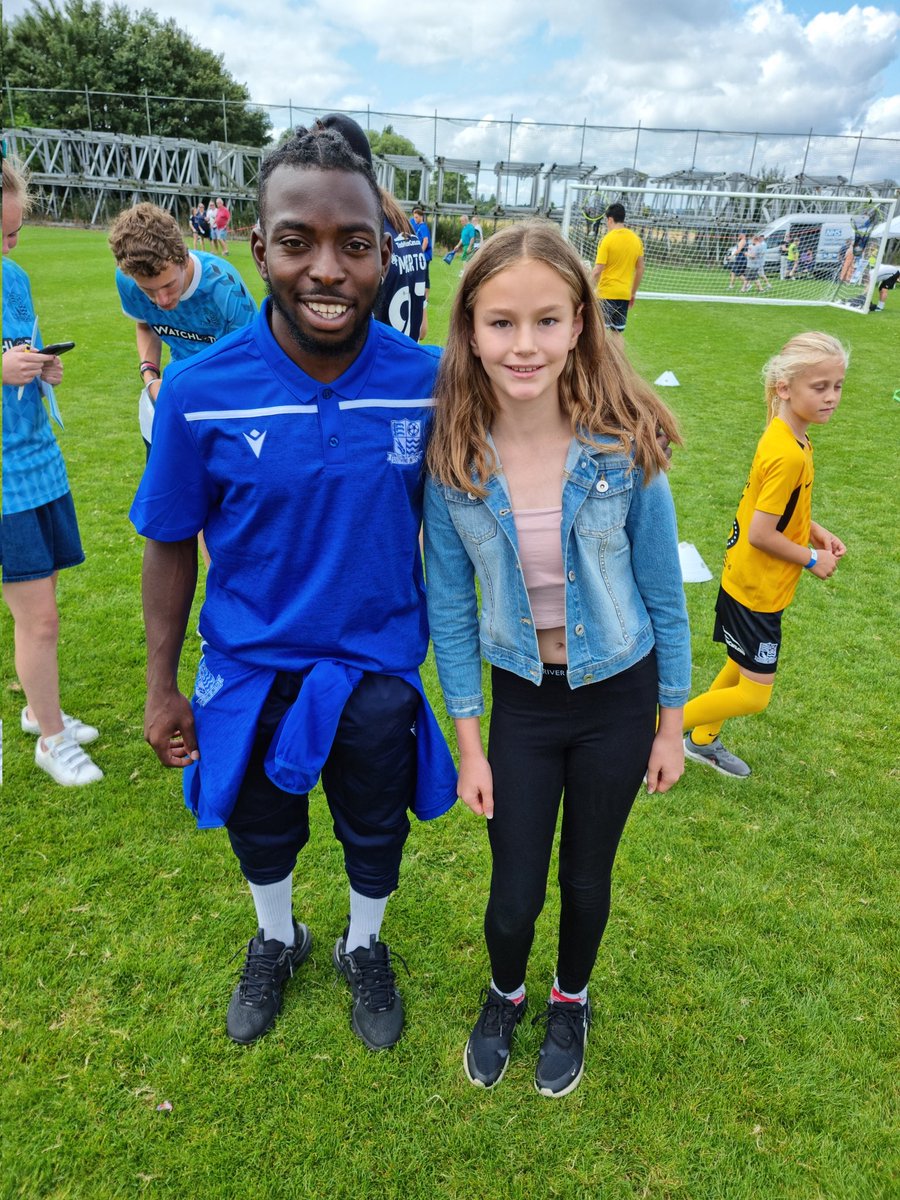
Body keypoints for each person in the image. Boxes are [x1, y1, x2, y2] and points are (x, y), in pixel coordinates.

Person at [129, 126, 456, 1052]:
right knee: (260, 829)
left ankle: (362, 945)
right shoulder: (200, 389)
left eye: (354, 244)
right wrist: (161, 686)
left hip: (376, 666)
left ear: (384, 251)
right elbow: (167, 542)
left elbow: (480, 525)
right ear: (257, 245)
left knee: (373, 830)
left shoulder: (429, 384)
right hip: (249, 661)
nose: (327, 269)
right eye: (297, 241)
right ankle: (279, 936)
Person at [423, 221, 690, 1097]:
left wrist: (671, 727)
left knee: (585, 881)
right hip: (523, 705)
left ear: (581, 322)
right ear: (469, 329)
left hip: (619, 695)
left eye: (546, 320)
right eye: (501, 323)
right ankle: (506, 992)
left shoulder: (624, 446)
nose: (524, 344)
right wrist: (470, 744)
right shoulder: (455, 458)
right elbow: (452, 613)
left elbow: (664, 595)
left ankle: (570, 998)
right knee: (514, 893)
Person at [683, 332, 847, 778]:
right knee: (754, 694)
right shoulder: (786, 452)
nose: (831, 397)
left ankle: (701, 740)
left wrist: (815, 531)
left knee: (739, 665)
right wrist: (812, 559)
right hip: (755, 589)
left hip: (752, 581)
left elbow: (777, 509)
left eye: (837, 386)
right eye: (820, 387)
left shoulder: (790, 436)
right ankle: (658, 733)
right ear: (784, 388)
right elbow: (760, 533)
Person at [1, 156, 103, 786]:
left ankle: (42, 711)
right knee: (37, 617)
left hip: (36, 458)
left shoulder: (14, 278)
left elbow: (18, 350)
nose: (8, 246)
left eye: (12, 234)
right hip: (4, 480)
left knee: (42, 606)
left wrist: (41, 369)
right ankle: (51, 740)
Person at [108, 202, 257, 451]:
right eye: (149, 290)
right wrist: (151, 378)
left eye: (169, 285)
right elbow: (145, 325)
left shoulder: (224, 285)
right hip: (176, 395)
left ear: (184, 257)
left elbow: (253, 357)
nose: (162, 301)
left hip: (229, 404)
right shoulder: (127, 280)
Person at [314, 114, 427, 342]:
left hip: (376, 370)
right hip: (406, 363)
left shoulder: (365, 237)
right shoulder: (405, 227)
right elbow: (422, 327)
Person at [590, 203, 644, 332]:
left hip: (606, 294)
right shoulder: (636, 240)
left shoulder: (607, 240)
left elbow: (598, 269)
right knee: (617, 334)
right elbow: (640, 268)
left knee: (600, 334)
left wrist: (587, 288)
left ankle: (601, 354)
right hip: (624, 295)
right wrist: (632, 293)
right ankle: (618, 354)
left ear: (609, 219)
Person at [411, 205, 432, 340]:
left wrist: (420, 252)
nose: (415, 218)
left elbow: (425, 240)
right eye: (414, 216)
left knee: (424, 277)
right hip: (421, 256)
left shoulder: (423, 226)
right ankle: (424, 298)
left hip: (424, 256)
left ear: (421, 217)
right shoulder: (416, 224)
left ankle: (426, 298)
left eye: (416, 217)